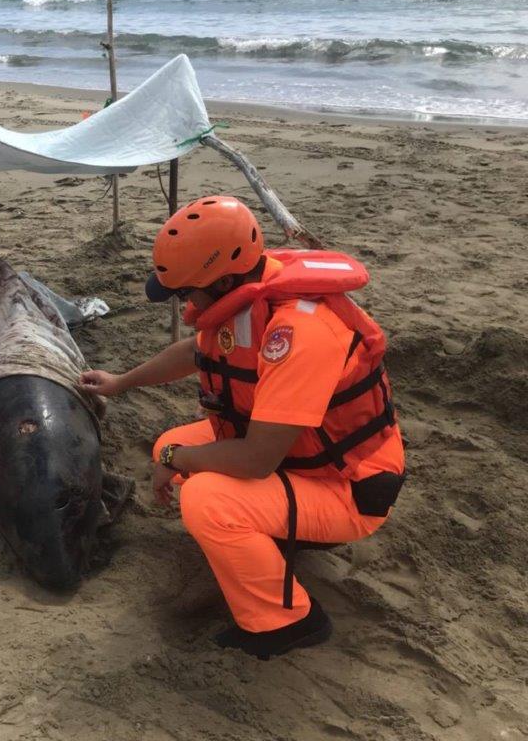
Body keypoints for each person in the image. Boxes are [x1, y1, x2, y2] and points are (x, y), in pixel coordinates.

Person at [80, 195, 405, 659]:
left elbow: (255, 460)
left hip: (348, 486)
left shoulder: (299, 333)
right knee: (168, 444)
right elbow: (199, 351)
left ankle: (287, 622)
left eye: (185, 292)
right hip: (300, 455)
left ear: (224, 279)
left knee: (206, 498)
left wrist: (177, 462)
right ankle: (268, 540)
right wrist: (120, 383)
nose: (184, 302)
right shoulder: (251, 290)